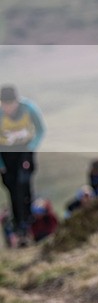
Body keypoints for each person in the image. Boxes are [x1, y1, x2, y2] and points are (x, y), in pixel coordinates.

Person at [0, 85, 45, 246]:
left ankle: (27, 222)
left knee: (23, 184)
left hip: (25, 152)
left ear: (17, 101)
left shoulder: (29, 109)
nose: (8, 109)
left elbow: (40, 130)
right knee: (12, 188)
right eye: (4, 105)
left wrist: (30, 148)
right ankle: (18, 225)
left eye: (11, 104)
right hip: (6, 156)